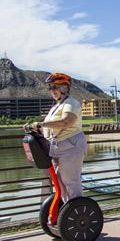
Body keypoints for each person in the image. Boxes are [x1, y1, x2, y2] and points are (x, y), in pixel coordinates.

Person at [27, 72, 87, 203]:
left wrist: (41, 124)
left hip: (70, 145)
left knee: (70, 182)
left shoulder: (71, 103)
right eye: (50, 87)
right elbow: (49, 128)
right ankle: (67, 213)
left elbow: (67, 122)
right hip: (55, 147)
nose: (52, 90)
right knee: (60, 184)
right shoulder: (55, 107)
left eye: (55, 87)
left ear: (65, 87)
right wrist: (35, 128)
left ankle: (79, 214)